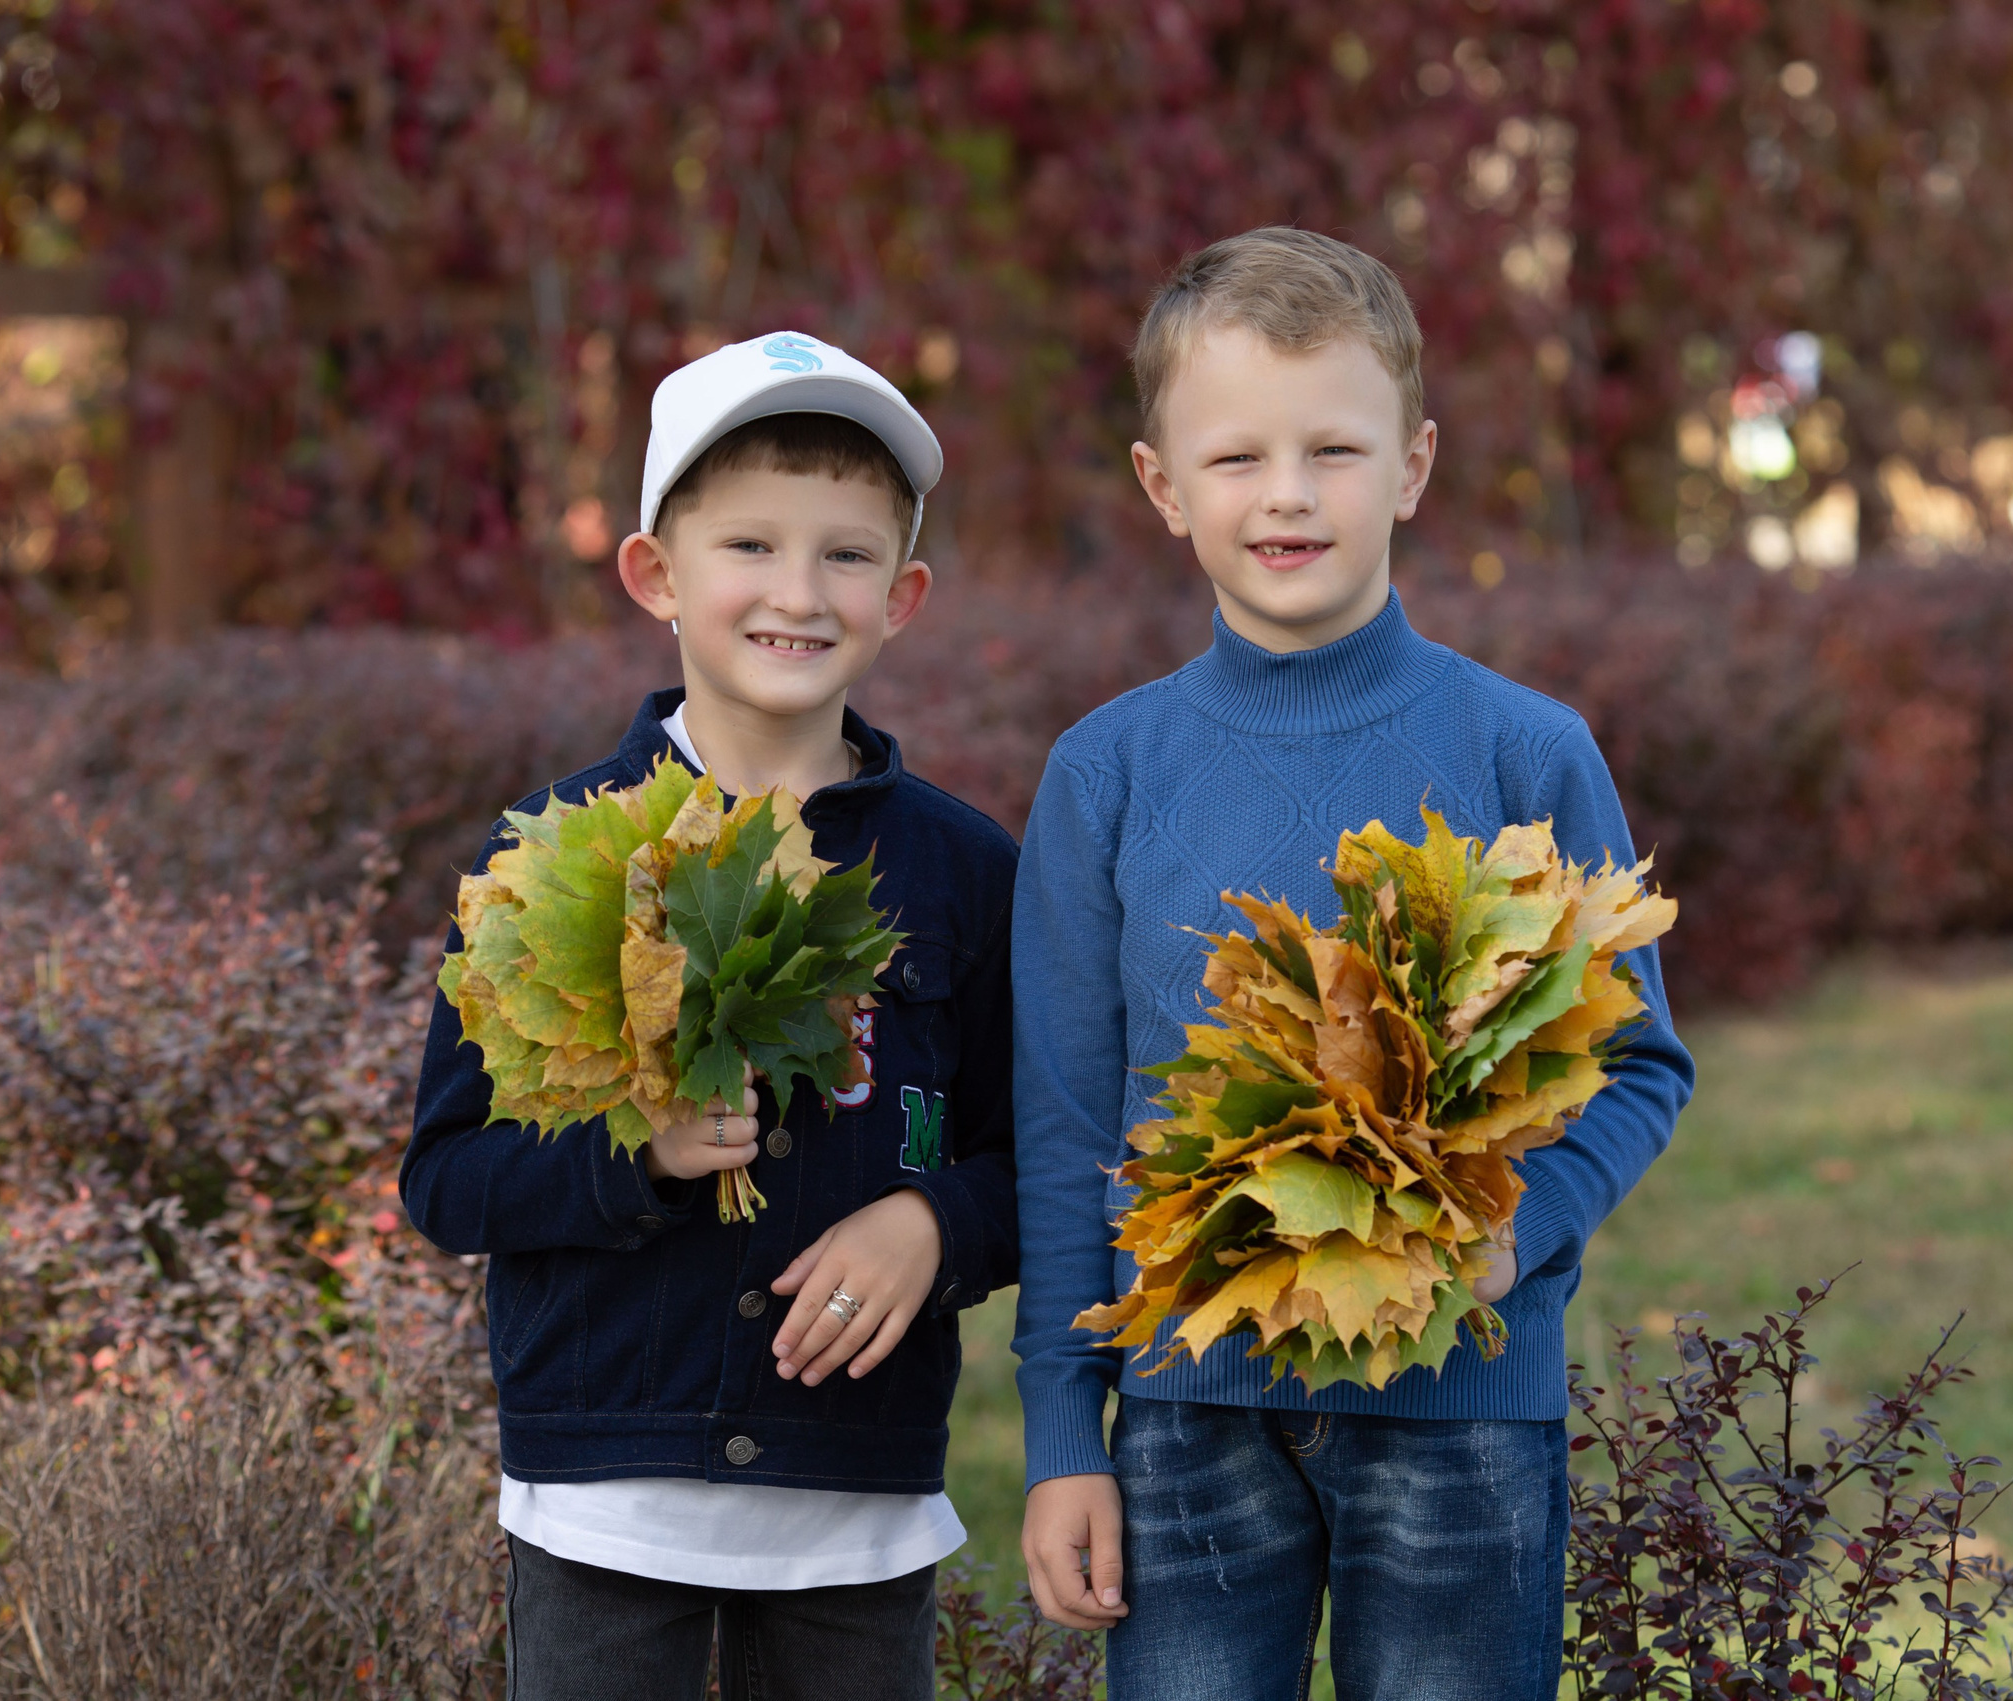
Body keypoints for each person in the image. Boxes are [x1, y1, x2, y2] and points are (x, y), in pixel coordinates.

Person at [1010, 228, 1696, 1699]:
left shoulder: (1525, 750)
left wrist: (1534, 1220)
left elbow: (1642, 1062)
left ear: (1414, 464)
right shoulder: (1107, 772)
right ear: (1162, 485)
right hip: (1187, 1411)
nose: (1288, 493)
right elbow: (1068, 1128)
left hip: (1462, 1404)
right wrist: (1069, 1433)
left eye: (1334, 446)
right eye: (1239, 455)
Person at [403, 332, 1019, 1701]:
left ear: (904, 594)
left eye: (847, 555)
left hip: (856, 1509)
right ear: (655, 574)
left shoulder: (963, 872)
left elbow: (1037, 1154)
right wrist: (644, 1153)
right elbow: (447, 1178)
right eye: (749, 545)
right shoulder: (550, 856)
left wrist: (938, 1222)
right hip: (604, 1504)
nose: (797, 592)